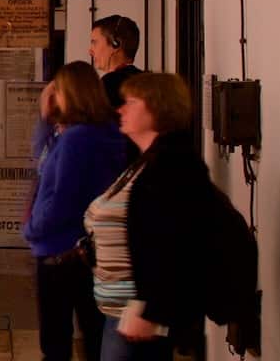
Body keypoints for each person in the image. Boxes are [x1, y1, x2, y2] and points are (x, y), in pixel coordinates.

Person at [86, 73, 213, 361]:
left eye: (131, 102)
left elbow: (175, 243)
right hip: (125, 309)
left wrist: (151, 308)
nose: (120, 109)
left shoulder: (173, 165)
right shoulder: (146, 161)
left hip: (139, 312)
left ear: (158, 108)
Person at [24, 61, 130, 361]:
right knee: (93, 335)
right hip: (89, 249)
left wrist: (34, 228)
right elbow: (44, 158)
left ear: (71, 93)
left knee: (56, 343)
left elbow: (62, 197)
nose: (53, 97)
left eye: (57, 91)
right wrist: (46, 121)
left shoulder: (76, 139)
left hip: (60, 249)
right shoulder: (105, 133)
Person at [89, 15, 145, 108]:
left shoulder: (109, 84)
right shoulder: (146, 81)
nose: (90, 51)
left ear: (115, 44)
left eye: (94, 42)